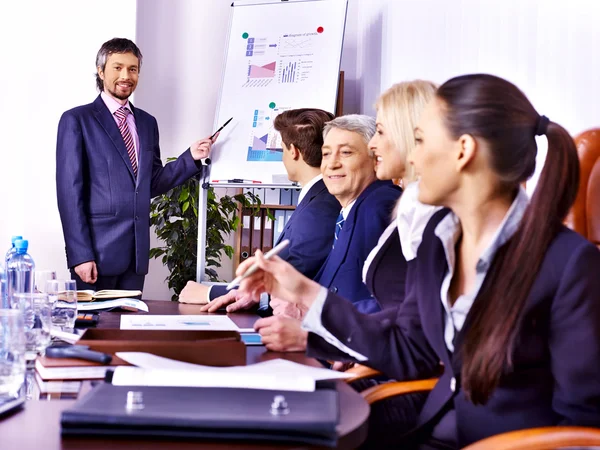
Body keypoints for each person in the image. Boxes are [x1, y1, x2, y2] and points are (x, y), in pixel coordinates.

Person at [235, 74, 600, 448]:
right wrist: (305, 292)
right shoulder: (438, 237)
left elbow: (582, 425)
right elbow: (410, 350)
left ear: (463, 150)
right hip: (437, 428)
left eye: (421, 140)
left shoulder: (570, 264)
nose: (411, 155)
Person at [56, 38, 214, 292]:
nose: (125, 76)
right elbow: (69, 193)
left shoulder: (147, 122)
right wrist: (80, 255)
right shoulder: (77, 120)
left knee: (129, 329)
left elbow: (151, 182)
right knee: (94, 329)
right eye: (117, 68)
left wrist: (190, 157)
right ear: (101, 71)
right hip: (96, 254)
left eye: (132, 69)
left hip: (136, 256)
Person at [249, 115, 402, 351]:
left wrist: (309, 319)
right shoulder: (351, 211)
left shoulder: (379, 206)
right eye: (327, 154)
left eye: (346, 153)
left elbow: (395, 307)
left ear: (375, 159)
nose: (331, 164)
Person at [178, 108, 340, 306]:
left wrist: (210, 292)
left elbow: (295, 279)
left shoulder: (320, 208)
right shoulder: (317, 198)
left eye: (281, 148)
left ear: (293, 152)